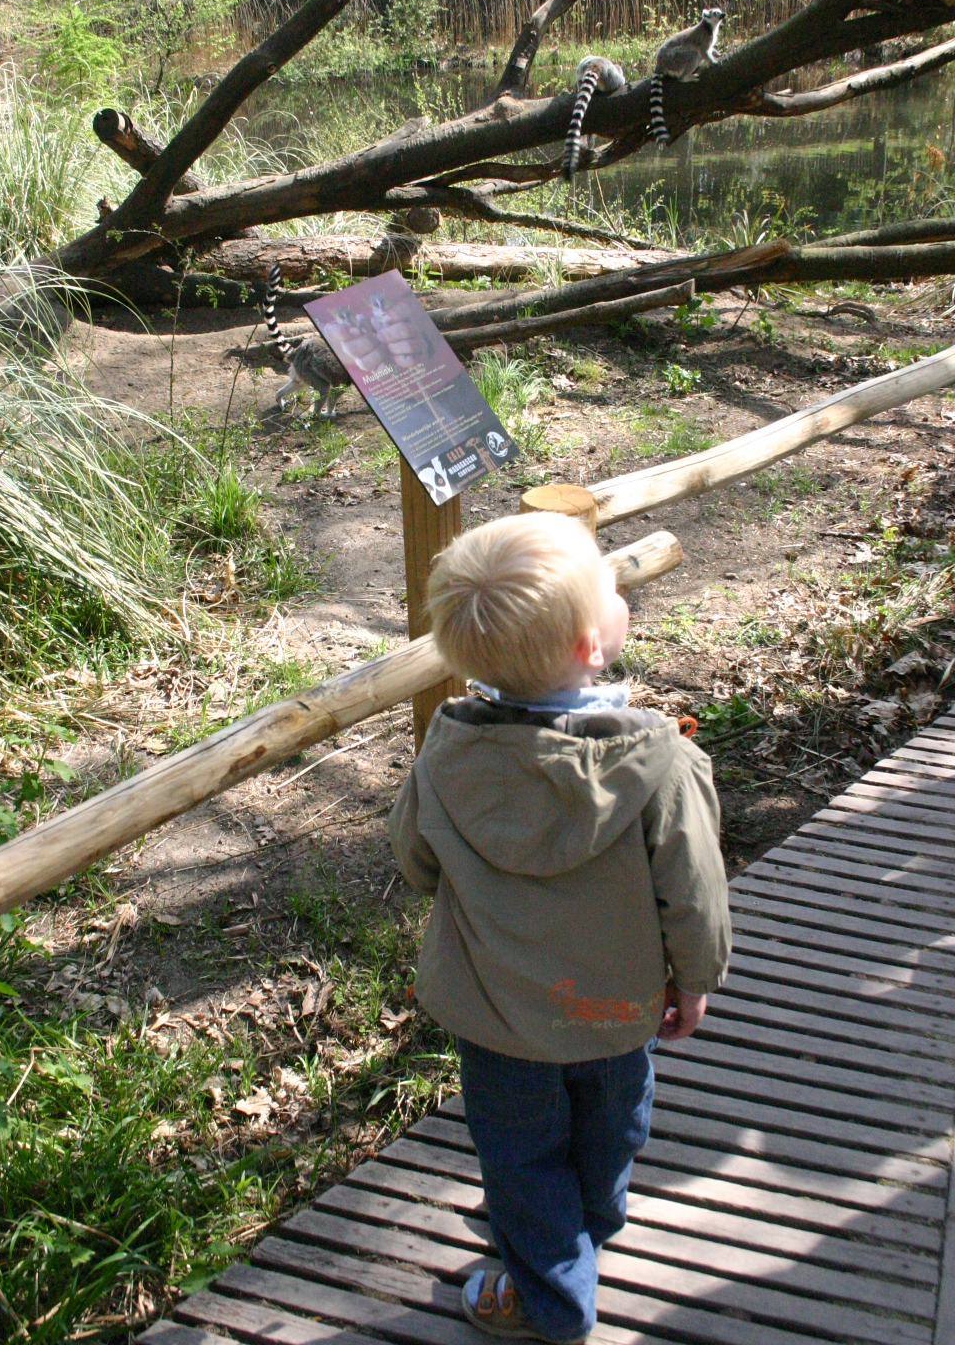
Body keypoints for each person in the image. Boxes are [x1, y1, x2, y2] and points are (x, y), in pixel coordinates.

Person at [389, 513, 730, 1344]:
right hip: (612, 1008)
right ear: (592, 644)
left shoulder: (446, 753)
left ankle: (550, 1245)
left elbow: (415, 861)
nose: (620, 591)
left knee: (519, 1152)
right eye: (611, 586)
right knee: (612, 1126)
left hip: (496, 1014)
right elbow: (695, 893)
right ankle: (563, 1288)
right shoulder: (659, 765)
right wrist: (695, 979)